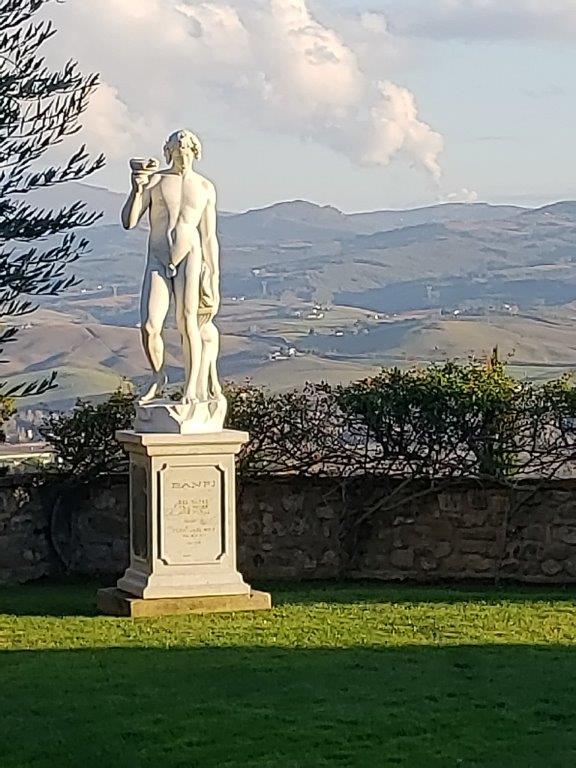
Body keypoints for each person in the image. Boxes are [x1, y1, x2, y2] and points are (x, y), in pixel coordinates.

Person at [121, 129, 221, 404]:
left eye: (187, 152)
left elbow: (210, 237)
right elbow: (129, 222)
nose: (183, 157)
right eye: (178, 153)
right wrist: (136, 188)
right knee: (149, 326)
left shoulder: (204, 187)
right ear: (169, 153)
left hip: (190, 255)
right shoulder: (156, 181)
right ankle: (158, 377)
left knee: (187, 321)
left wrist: (213, 275)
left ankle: (192, 388)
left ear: (195, 153)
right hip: (157, 258)